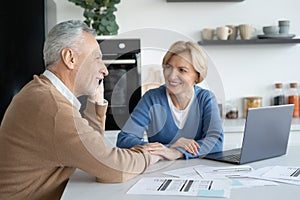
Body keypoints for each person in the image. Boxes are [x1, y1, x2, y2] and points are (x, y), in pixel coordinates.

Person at [0, 20, 162, 200]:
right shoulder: (52, 107)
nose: (105, 71)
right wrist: (150, 154)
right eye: (97, 58)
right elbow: (114, 168)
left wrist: (95, 101)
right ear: (70, 58)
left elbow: (92, 151)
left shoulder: (41, 92)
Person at [117, 41, 224, 160]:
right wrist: (169, 148)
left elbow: (216, 142)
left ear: (197, 76)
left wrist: (178, 152)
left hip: (199, 172)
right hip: (160, 171)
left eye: (182, 70)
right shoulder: (152, 98)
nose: (172, 76)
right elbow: (124, 140)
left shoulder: (205, 99)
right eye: (168, 67)